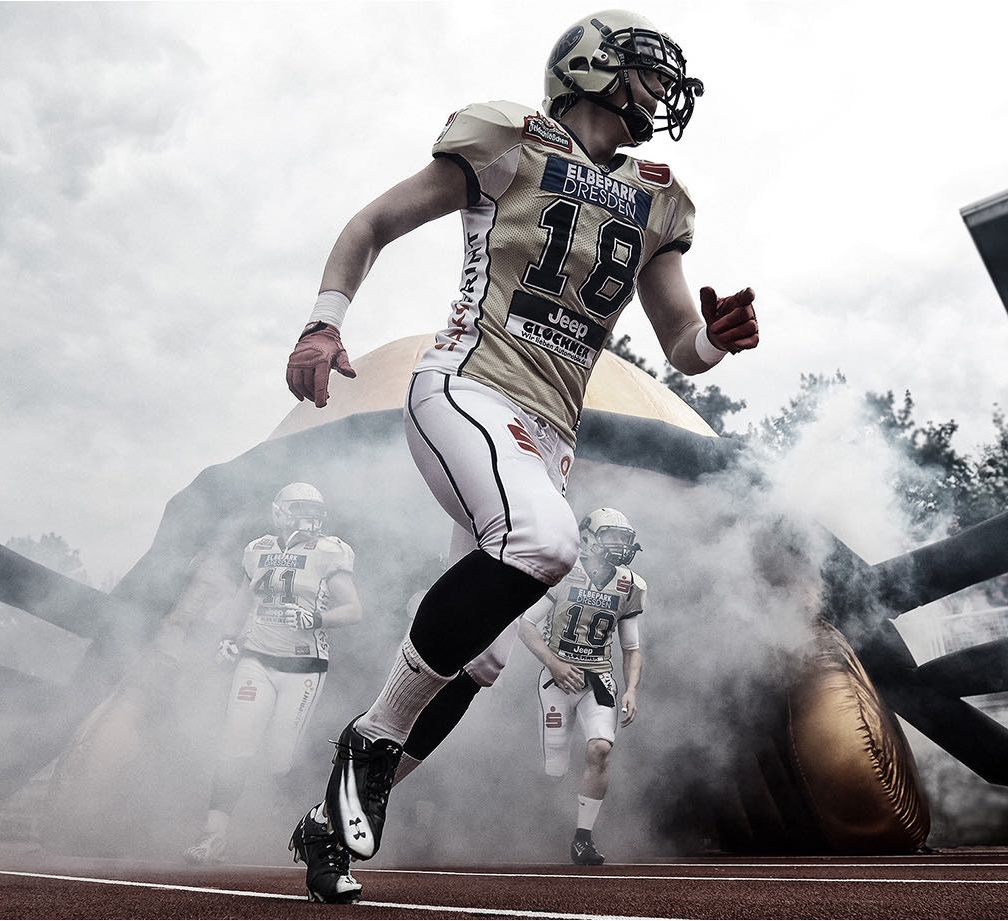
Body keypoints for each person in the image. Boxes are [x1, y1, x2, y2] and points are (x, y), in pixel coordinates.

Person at [279, 10, 756, 904]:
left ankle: (325, 820)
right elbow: (372, 222)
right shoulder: (509, 138)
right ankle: (370, 738)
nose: (663, 92)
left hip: (550, 434)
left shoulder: (658, 195)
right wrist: (323, 321)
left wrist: (716, 341)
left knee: (484, 658)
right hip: (468, 386)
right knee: (545, 539)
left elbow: (680, 341)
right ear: (594, 70)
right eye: (649, 72)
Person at [181, 483, 362, 865]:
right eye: (298, 508)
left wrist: (316, 618)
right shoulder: (258, 549)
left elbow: (353, 610)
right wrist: (229, 637)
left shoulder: (329, 551)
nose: (307, 516)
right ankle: (213, 836)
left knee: (279, 758)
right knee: (235, 746)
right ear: (279, 511)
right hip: (257, 659)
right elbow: (243, 601)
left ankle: (306, 831)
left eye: (313, 509)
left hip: (304, 666)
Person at [517, 508, 647, 865]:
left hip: (598, 678)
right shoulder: (563, 572)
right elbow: (526, 626)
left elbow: (631, 649)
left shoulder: (630, 585)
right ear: (588, 537)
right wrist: (555, 664)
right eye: (612, 537)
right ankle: (538, 826)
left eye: (624, 538)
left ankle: (582, 839)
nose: (620, 545)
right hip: (558, 678)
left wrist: (631, 690)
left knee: (601, 749)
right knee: (554, 767)